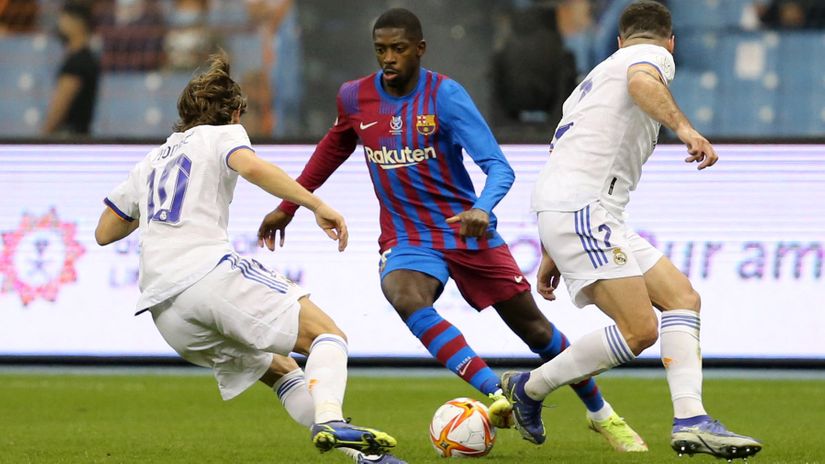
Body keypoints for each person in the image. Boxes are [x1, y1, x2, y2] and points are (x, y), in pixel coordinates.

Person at [257, 7, 646, 452]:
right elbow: (330, 151)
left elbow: (498, 167)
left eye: (399, 49)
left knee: (537, 331)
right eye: (381, 49)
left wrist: (482, 208)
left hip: (465, 230)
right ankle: (499, 394)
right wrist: (289, 205)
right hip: (408, 236)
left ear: (419, 49)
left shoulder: (446, 97)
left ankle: (603, 415)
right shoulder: (355, 98)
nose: (388, 58)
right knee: (404, 296)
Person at [94, 53, 400, 461]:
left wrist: (149, 209)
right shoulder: (223, 134)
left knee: (282, 370)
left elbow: (104, 231)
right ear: (235, 113)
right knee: (327, 336)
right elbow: (251, 167)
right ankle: (330, 420)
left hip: (165, 313)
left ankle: (366, 457)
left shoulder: (150, 162)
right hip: (205, 275)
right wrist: (313, 204)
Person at [502, 1, 763, 461]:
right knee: (639, 329)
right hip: (586, 210)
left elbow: (566, 156)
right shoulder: (650, 58)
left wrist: (551, 246)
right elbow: (641, 81)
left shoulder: (589, 83)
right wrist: (686, 129)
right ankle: (530, 387)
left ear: (618, 38)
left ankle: (691, 419)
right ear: (670, 42)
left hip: (585, 210)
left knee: (682, 299)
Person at [43, 1, 100, 136]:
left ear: (77, 23)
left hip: (70, 138)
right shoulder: (88, 58)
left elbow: (60, 107)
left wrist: (43, 136)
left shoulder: (77, 63)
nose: (60, 24)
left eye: (64, 18)